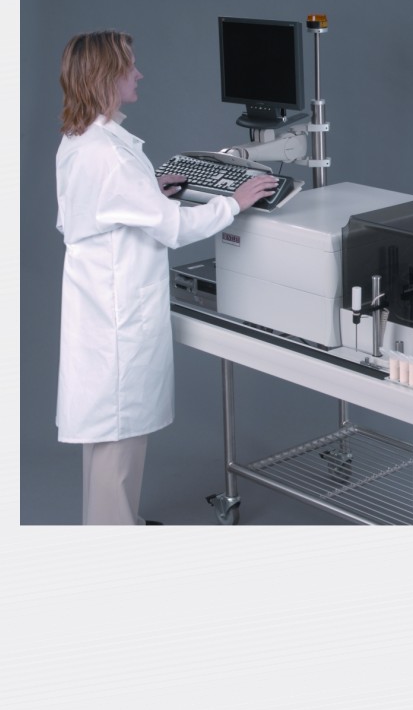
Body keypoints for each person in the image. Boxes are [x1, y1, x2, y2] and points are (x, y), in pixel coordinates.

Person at [55, 30, 277, 525]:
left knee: (108, 434)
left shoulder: (81, 138)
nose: (138, 74)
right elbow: (175, 229)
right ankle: (113, 540)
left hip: (100, 300)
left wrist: (148, 192)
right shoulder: (108, 155)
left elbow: (97, 209)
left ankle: (112, 524)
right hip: (118, 313)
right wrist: (234, 202)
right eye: (129, 67)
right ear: (105, 76)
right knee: (119, 431)